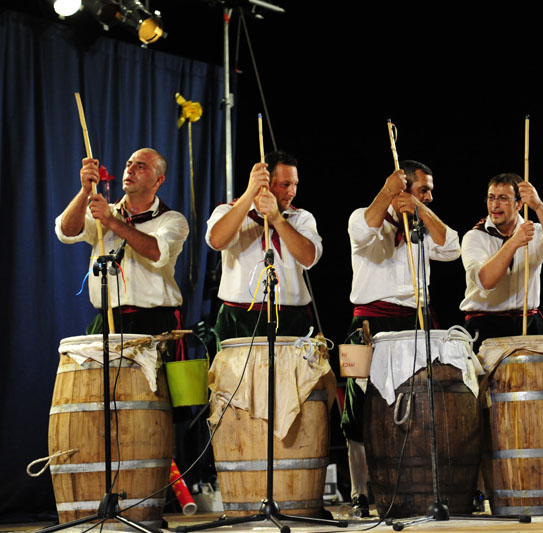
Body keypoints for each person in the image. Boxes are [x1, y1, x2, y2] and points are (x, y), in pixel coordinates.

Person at [343, 160, 461, 515]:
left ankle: (421, 480)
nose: (430, 195)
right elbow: (365, 231)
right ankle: (359, 491)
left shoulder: (422, 224)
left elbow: (452, 247)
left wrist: (420, 207)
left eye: (430, 190)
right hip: (369, 322)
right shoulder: (361, 216)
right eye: (423, 189)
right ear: (402, 189)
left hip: (416, 318)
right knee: (359, 408)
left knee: (422, 404)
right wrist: (388, 191)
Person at [55, 148, 189, 343]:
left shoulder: (172, 220)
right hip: (108, 320)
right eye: (129, 164)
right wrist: (85, 191)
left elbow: (156, 251)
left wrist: (112, 222)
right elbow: (66, 231)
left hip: (155, 322)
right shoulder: (105, 213)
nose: (131, 169)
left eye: (141, 166)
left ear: (158, 180)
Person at [206, 150, 322, 339]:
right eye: (286, 185)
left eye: (295, 185)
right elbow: (217, 241)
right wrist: (250, 193)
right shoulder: (227, 211)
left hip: (291, 316)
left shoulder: (301, 218)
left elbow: (309, 258)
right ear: (265, 184)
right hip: (240, 317)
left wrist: (276, 217)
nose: (292, 192)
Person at [460, 173, 543, 341]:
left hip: (529, 322)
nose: (494, 205)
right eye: (491, 198)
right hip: (485, 324)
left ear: (519, 204)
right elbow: (485, 281)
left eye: (503, 199)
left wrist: (538, 206)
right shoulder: (474, 237)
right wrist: (513, 242)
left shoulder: (532, 231)